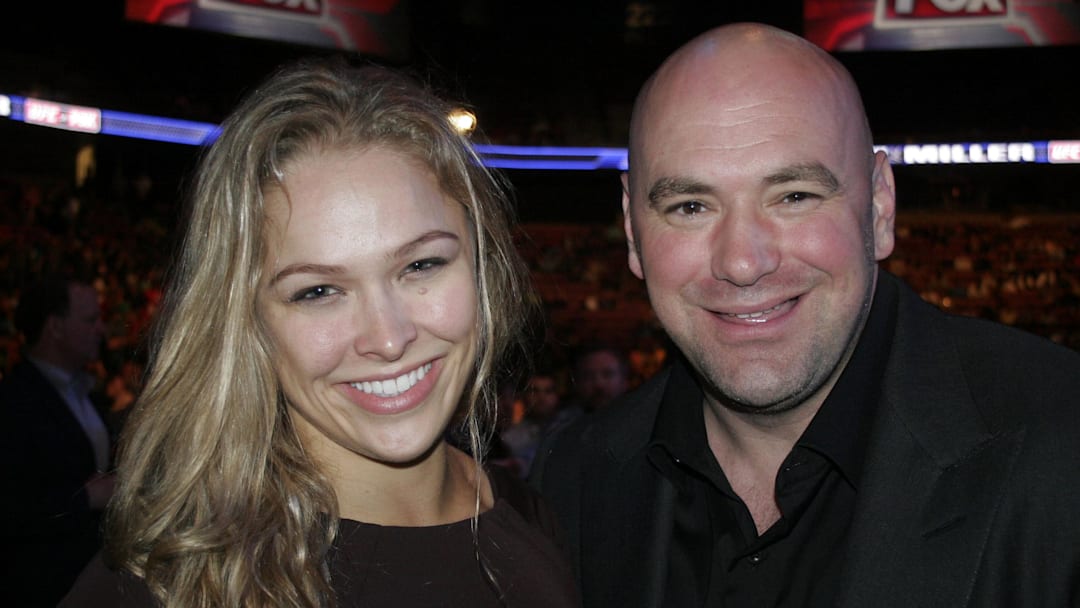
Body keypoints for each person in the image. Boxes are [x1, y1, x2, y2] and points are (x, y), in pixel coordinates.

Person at [530, 23, 1080, 608]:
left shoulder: (1063, 447)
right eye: (690, 206)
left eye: (794, 196)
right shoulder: (571, 480)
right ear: (632, 232)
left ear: (880, 206)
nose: (743, 262)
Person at [61, 58, 579, 607]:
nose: (387, 338)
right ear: (246, 322)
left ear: (483, 264)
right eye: (317, 292)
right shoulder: (168, 584)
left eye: (422, 265)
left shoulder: (534, 516)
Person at [0, 277, 114, 607]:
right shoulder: (14, 402)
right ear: (55, 326)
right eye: (90, 320)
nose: (101, 329)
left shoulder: (83, 393)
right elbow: (12, 508)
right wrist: (87, 497)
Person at [500, 369, 563, 476]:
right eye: (535, 391)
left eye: (548, 391)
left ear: (557, 396)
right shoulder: (508, 437)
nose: (541, 397)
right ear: (524, 395)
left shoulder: (567, 430)